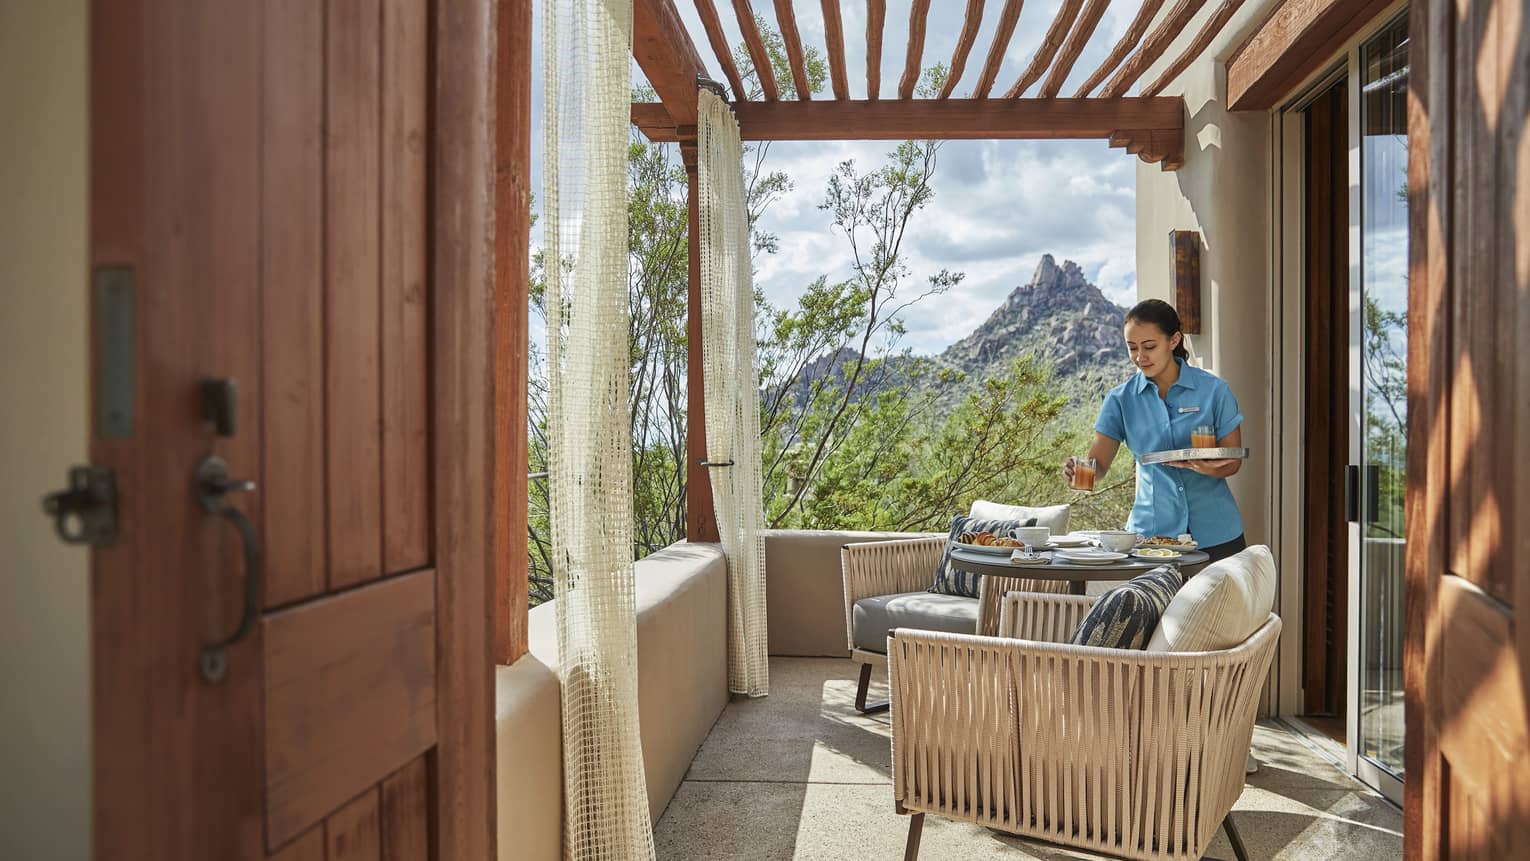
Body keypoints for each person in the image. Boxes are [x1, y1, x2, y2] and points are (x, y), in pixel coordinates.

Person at [1062, 298, 1247, 563]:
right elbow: (1097, 467)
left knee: (1226, 606)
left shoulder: (1215, 391)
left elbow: (1232, 460)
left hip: (1216, 535)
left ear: (1173, 341)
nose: (1140, 357)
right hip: (1150, 539)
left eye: (1149, 346)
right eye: (1132, 348)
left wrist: (1207, 467)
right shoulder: (1120, 400)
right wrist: (1077, 475)